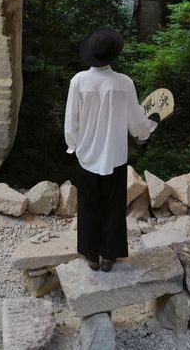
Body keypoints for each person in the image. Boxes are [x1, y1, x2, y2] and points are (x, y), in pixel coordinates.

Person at [64, 27, 158, 272]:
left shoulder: (78, 82)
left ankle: (91, 255)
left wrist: (73, 145)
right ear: (113, 55)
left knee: (88, 206)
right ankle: (109, 256)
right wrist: (147, 129)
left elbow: (70, 121)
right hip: (114, 156)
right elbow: (136, 121)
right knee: (114, 207)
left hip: (86, 155)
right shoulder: (124, 83)